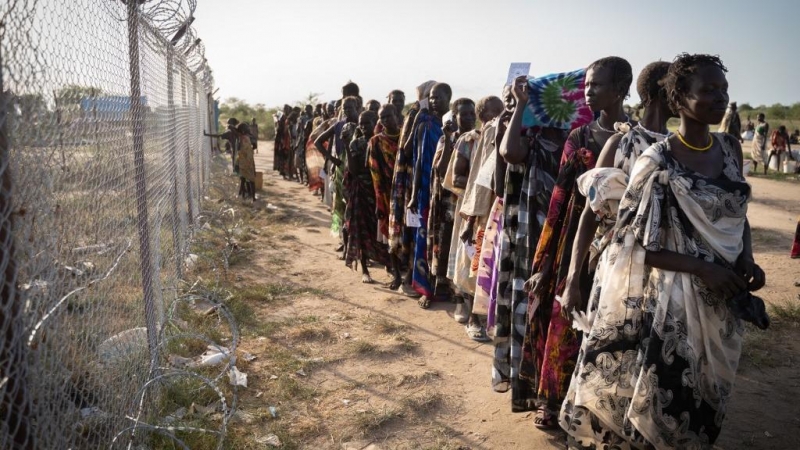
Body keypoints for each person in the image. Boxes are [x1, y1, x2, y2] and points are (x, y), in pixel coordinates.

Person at [559, 53, 766, 450]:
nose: (720, 97)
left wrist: (746, 258)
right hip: (673, 301)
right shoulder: (657, 160)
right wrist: (703, 269)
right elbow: (632, 242)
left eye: (723, 89)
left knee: (709, 399)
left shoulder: (730, 148)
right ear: (679, 99)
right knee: (668, 400)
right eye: (708, 90)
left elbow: (738, 215)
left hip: (723, 301)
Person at [522, 56, 634, 429]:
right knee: (566, 315)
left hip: (621, 243)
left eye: (596, 84)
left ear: (621, 89)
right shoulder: (579, 137)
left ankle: (596, 406)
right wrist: (546, 259)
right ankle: (551, 402)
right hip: (577, 233)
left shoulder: (640, 139)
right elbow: (560, 197)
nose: (587, 91)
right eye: (586, 84)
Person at [447, 96, 504, 342]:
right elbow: (454, 178)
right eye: (493, 114)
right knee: (474, 264)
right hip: (475, 208)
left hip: (497, 209)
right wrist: (478, 185)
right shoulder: (469, 141)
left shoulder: (505, 136)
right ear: (483, 117)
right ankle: (473, 318)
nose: (499, 118)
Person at [423, 98, 475, 310]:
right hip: (446, 203)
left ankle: (460, 293)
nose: (469, 118)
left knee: (462, 250)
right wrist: (447, 138)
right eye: (464, 114)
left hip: (466, 202)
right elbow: (440, 170)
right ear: (455, 116)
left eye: (472, 114)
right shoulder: (448, 140)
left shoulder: (477, 139)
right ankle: (444, 289)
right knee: (444, 246)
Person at [388, 80, 437, 295]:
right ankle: (409, 276)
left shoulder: (440, 117)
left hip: (429, 178)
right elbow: (406, 149)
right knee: (413, 228)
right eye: (431, 95)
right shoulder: (416, 115)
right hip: (412, 180)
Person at [407, 82, 451, 299]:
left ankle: (441, 285)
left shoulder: (452, 124)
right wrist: (414, 194)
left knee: (442, 240)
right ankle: (424, 288)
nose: (434, 101)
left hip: (447, 191)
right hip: (426, 189)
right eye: (431, 97)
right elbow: (417, 160)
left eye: (438, 97)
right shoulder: (425, 123)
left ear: (448, 99)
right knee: (424, 238)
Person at [314, 96, 360, 253]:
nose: (347, 111)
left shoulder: (364, 124)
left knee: (355, 208)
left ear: (357, 107)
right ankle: (343, 241)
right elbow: (318, 142)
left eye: (350, 108)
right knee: (340, 206)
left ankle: (357, 243)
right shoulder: (339, 125)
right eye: (344, 108)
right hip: (342, 169)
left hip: (360, 170)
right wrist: (333, 159)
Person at [343, 111, 381, 282]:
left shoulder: (382, 141)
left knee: (381, 229)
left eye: (368, 123)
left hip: (380, 189)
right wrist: (346, 146)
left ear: (375, 122)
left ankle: (389, 265)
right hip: (362, 190)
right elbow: (354, 170)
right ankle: (365, 269)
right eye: (362, 123)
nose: (364, 127)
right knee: (361, 228)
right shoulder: (356, 144)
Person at [368, 104, 402, 285]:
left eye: (388, 116)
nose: (385, 120)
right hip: (387, 194)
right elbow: (375, 173)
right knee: (391, 235)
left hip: (406, 192)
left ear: (396, 115)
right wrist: (379, 201)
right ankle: (396, 273)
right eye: (382, 118)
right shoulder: (375, 141)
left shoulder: (406, 136)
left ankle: (409, 272)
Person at [236, 122, 257, 202]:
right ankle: (253, 197)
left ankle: (242, 196)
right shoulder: (248, 137)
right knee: (251, 180)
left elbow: (239, 149)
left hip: (244, 162)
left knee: (243, 179)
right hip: (249, 161)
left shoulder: (242, 138)